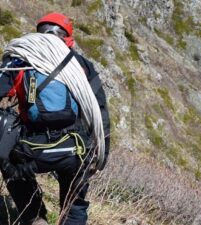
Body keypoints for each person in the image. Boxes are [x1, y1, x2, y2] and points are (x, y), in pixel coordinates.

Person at [0, 12, 110, 225]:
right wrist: (102, 154)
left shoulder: (21, 59)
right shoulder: (82, 66)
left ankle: (34, 218)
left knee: (9, 162)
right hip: (75, 149)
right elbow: (101, 111)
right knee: (74, 204)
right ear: (68, 37)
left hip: (31, 149)